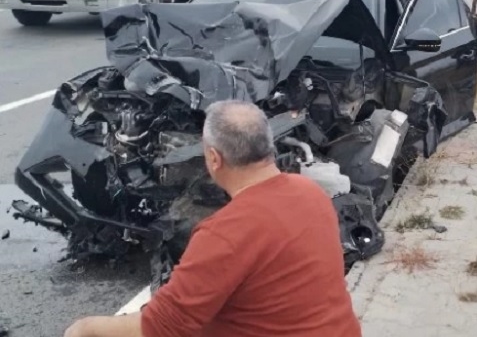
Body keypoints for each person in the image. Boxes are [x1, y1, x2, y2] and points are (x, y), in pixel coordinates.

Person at [63, 100, 362, 337]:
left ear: (215, 159)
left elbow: (165, 326)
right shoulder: (311, 193)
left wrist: (85, 328)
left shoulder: (225, 234)